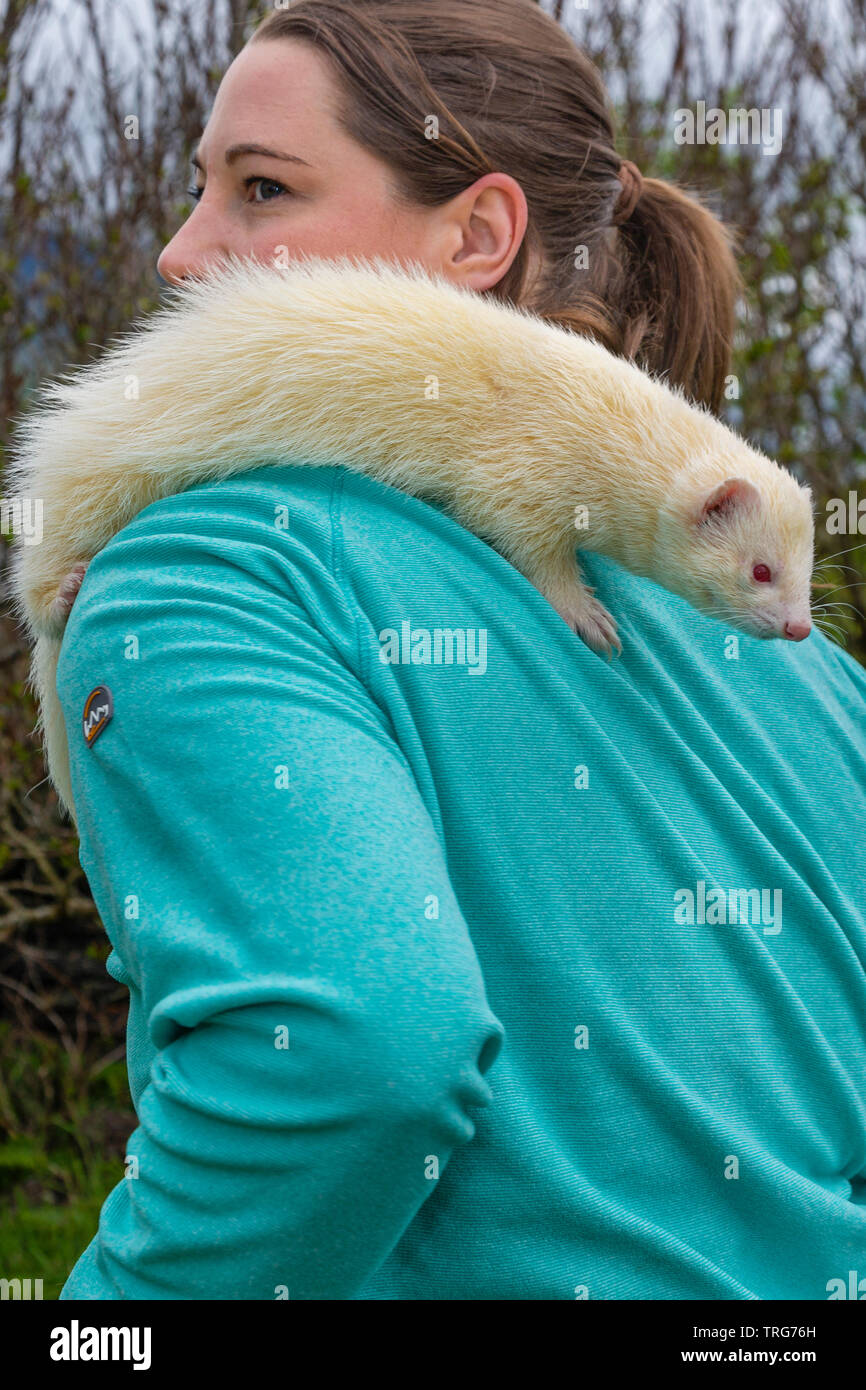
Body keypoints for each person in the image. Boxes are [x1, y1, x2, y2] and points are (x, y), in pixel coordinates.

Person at [53, 0, 865, 1300]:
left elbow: (351, 1052)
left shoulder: (208, 564)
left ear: (481, 236)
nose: (179, 253)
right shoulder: (806, 677)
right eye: (197, 188)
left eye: (262, 190)